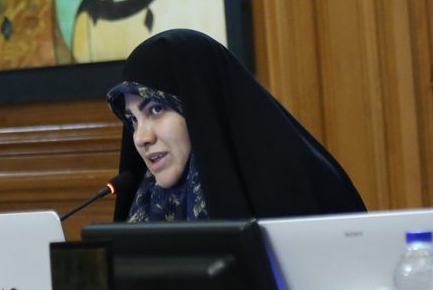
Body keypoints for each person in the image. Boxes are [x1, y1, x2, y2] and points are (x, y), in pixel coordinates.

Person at [106, 29, 366, 222]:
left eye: (156, 109)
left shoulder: (293, 184)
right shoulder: (148, 200)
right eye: (133, 120)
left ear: (200, 106)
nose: (141, 138)